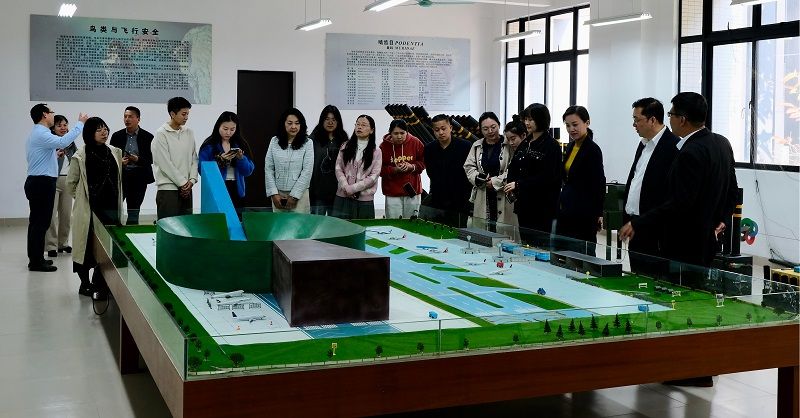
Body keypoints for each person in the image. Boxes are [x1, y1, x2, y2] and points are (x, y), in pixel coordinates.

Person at [621, 92, 738, 271]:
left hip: (684, 242)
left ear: (682, 119)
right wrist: (723, 219)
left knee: (676, 285)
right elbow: (732, 190)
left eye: (671, 114)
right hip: (707, 239)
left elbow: (680, 203)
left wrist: (638, 223)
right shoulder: (722, 143)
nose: (669, 119)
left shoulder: (688, 151)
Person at [620, 98, 680, 278]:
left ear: (652, 120)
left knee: (654, 279)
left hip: (655, 231)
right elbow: (636, 180)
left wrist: (642, 221)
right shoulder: (644, 144)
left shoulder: (673, 146)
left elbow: (668, 196)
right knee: (638, 279)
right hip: (636, 226)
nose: (634, 125)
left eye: (637, 120)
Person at [25, 104, 87, 272]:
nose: (53, 115)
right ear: (45, 115)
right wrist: (80, 123)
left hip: (38, 181)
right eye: (51, 112)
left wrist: (54, 155)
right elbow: (63, 141)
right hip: (42, 182)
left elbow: (39, 156)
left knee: (37, 223)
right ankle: (36, 262)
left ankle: (36, 258)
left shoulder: (37, 133)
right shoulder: (42, 133)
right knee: (40, 223)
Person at [66, 117, 122, 299]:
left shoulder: (114, 152)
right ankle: (85, 284)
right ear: (90, 134)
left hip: (111, 208)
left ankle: (101, 282)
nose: (104, 132)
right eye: (99, 130)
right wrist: (82, 199)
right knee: (86, 248)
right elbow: (71, 184)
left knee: (107, 248)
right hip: (90, 209)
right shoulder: (80, 155)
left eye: (105, 128)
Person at [504, 105, 562, 248]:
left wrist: (519, 184)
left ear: (541, 119)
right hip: (523, 204)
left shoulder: (551, 145)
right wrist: (511, 184)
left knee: (540, 246)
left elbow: (548, 177)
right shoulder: (525, 143)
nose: (527, 123)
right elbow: (514, 166)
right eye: (526, 119)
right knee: (526, 244)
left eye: (531, 119)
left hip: (542, 207)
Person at [556, 106, 606, 255]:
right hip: (567, 208)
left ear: (587, 123)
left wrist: (598, 213)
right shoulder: (571, 146)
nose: (571, 129)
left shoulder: (593, 150)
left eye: (575, 124)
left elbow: (599, 183)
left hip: (584, 212)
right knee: (565, 253)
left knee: (582, 253)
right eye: (567, 125)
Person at [464, 112, 513, 231]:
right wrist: (479, 179)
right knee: (484, 228)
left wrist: (495, 182)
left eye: (493, 127)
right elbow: (469, 167)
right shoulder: (477, 145)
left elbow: (513, 169)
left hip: (504, 192)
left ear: (499, 125)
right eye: (485, 129)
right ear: (481, 130)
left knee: (503, 231)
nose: (490, 131)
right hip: (483, 192)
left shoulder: (509, 144)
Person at [199, 111, 255, 214]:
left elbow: (248, 171)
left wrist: (241, 159)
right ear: (218, 126)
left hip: (237, 190)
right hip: (217, 189)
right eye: (225, 129)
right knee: (219, 219)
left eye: (232, 129)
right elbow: (202, 170)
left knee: (237, 219)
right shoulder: (209, 145)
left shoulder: (241, 144)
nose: (228, 133)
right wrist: (219, 161)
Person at [152, 97, 198, 220]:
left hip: (187, 189)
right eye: (183, 114)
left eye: (187, 114)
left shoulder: (189, 133)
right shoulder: (161, 134)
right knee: (169, 226)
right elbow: (165, 163)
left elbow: (194, 158)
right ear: (172, 114)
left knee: (187, 226)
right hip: (168, 189)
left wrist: (192, 180)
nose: (186, 117)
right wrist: (183, 183)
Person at [423, 114, 472, 227]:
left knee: (458, 231)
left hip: (460, 198)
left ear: (450, 128)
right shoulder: (429, 149)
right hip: (438, 198)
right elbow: (431, 173)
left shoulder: (465, 146)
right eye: (437, 130)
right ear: (433, 131)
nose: (441, 132)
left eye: (443, 128)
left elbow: (468, 172)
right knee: (438, 230)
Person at [109, 106, 155, 225]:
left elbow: (151, 159)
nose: (127, 119)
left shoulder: (148, 137)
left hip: (139, 177)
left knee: (134, 210)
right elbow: (110, 157)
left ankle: (132, 231)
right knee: (115, 207)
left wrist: (137, 159)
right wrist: (120, 162)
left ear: (138, 119)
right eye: (125, 116)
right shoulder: (117, 136)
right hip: (121, 176)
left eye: (130, 116)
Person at [332, 115, 382, 219]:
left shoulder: (376, 152)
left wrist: (353, 189)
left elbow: (374, 176)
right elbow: (338, 169)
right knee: (340, 226)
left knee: (363, 227)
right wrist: (346, 187)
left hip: (364, 200)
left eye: (364, 125)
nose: (359, 127)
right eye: (357, 124)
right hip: (343, 196)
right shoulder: (345, 146)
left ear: (372, 130)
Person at [265, 108, 314, 213]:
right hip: (278, 195)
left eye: (297, 123)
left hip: (300, 195)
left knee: (299, 223)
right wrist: (273, 193)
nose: (293, 127)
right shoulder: (274, 141)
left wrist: (294, 196)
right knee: (279, 223)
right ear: (283, 124)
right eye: (290, 123)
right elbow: (269, 168)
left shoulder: (308, 143)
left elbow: (307, 171)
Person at [379, 119, 425, 219]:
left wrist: (412, 167)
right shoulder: (383, 147)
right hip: (392, 192)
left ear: (407, 132)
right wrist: (394, 170)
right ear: (390, 133)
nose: (399, 136)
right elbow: (379, 170)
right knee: (394, 223)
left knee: (412, 222)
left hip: (412, 191)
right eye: (395, 133)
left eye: (402, 133)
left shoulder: (416, 142)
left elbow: (424, 162)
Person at [45, 115, 77, 258]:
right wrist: (56, 154)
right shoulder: (50, 141)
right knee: (51, 215)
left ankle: (62, 243)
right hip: (53, 180)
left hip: (68, 181)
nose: (63, 128)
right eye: (59, 125)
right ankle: (51, 245)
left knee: (66, 215)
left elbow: (76, 159)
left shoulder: (70, 142)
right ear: (53, 128)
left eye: (65, 125)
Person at [309, 105, 349, 215]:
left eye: (334, 119)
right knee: (317, 222)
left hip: (337, 191)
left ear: (338, 121)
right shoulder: (313, 139)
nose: (330, 122)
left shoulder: (343, 139)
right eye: (327, 119)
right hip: (317, 191)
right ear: (322, 120)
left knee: (335, 222)